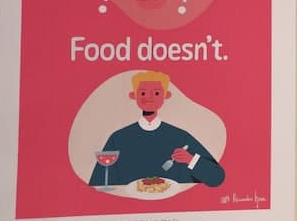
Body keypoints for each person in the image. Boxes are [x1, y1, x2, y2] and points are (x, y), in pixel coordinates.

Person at [88, 70, 226, 187]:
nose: (149, 98)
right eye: (143, 93)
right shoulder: (118, 138)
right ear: (133, 96)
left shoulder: (180, 137)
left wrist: (190, 160)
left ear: (166, 96)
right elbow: (98, 183)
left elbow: (217, 178)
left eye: (156, 93)